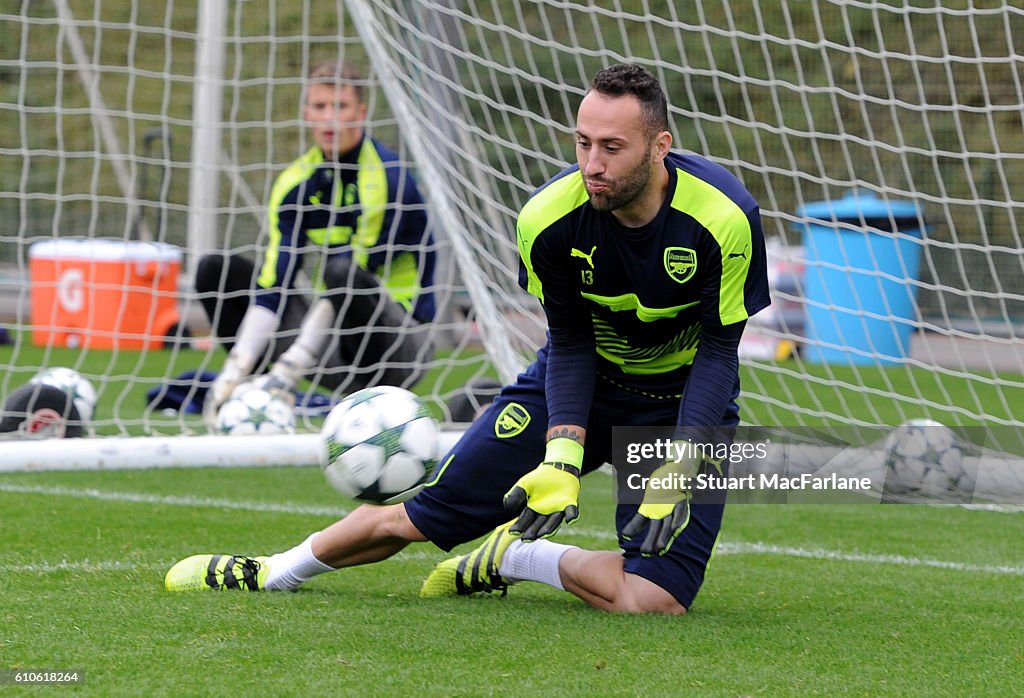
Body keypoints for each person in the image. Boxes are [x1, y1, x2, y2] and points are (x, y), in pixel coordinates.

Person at [166, 63, 769, 615]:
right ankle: (272, 569)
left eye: (613, 147)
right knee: (421, 518)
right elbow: (572, 343)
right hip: (580, 386)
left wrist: (684, 461)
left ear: (660, 147)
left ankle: (513, 557)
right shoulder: (548, 219)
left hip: (678, 403)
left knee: (653, 601)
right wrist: (561, 453)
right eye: (583, 143)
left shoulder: (723, 218)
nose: (593, 164)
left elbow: (719, 353)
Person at [195, 60, 436, 426]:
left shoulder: (388, 178)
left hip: (396, 345)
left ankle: (295, 385)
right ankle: (254, 397)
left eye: (340, 107)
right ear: (306, 112)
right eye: (320, 107)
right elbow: (276, 282)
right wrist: (234, 368)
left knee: (343, 273)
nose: (330, 119)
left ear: (361, 112)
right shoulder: (296, 181)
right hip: (328, 341)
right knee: (217, 269)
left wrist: (291, 367)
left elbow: (351, 278)